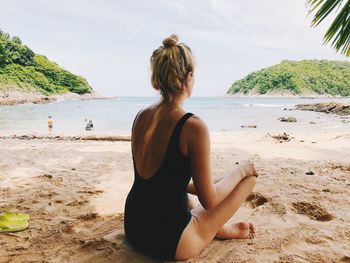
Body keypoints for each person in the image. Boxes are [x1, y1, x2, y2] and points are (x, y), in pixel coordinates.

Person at [124, 34, 258, 261]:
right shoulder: (193, 126)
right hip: (170, 241)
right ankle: (215, 229)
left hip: (135, 226)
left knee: (185, 195)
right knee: (248, 179)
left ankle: (215, 229)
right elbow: (211, 201)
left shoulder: (141, 117)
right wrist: (242, 169)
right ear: (189, 77)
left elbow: (162, 180)